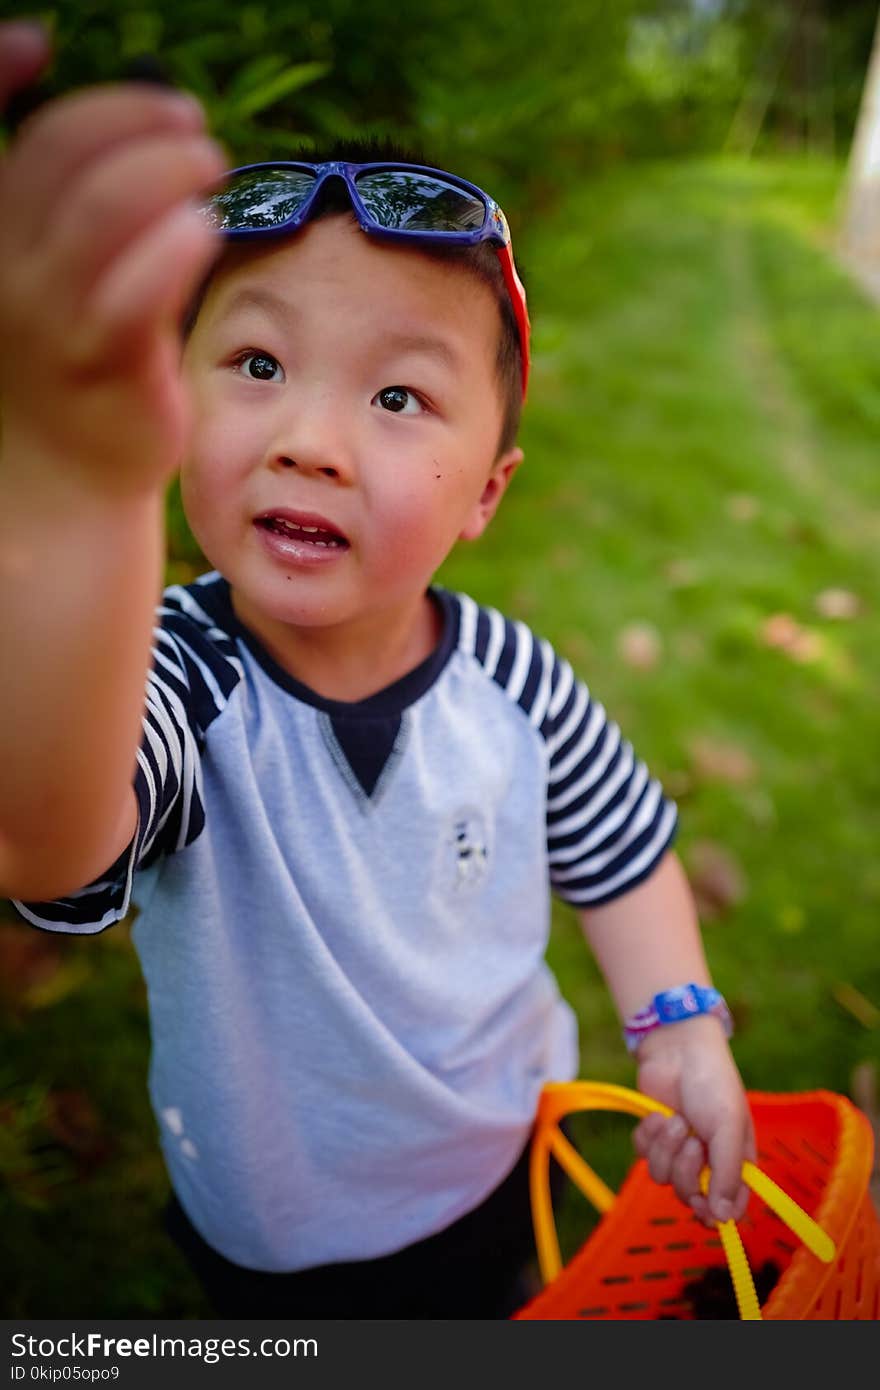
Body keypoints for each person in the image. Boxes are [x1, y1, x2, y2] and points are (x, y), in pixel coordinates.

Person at [0, 21, 754, 1319]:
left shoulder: (516, 680)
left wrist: (680, 1023)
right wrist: (88, 495)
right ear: (174, 404)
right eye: (256, 364)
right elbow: (53, 842)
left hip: (500, 1154)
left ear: (488, 494)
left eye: (397, 397)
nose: (310, 441)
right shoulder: (181, 677)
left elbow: (621, 849)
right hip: (279, 1237)